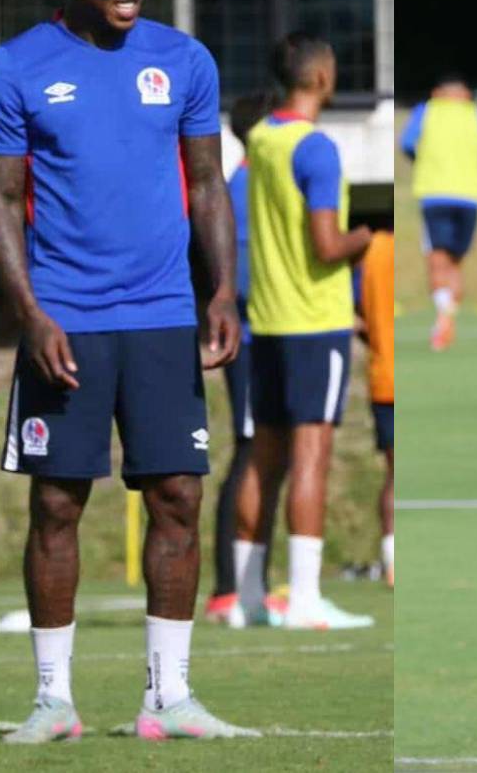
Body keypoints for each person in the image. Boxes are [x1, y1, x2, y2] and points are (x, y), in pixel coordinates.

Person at [0, 0, 253, 743]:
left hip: (165, 317)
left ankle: (168, 698)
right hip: (66, 323)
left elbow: (207, 184)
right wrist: (29, 314)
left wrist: (221, 291)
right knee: (58, 504)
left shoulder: (185, 60)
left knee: (177, 494)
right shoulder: (15, 69)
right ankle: (52, 700)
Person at [232, 32, 374, 630]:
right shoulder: (316, 148)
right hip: (314, 321)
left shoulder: (261, 137)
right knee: (312, 455)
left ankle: (246, 598)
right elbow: (324, 245)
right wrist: (362, 239)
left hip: (265, 320)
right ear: (319, 77)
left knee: (263, 459)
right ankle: (307, 599)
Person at [203, 91, 283, 627]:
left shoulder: (258, 182)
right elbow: (245, 279)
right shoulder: (245, 186)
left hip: (276, 341)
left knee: (268, 456)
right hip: (255, 342)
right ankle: (229, 587)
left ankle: (252, 579)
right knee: (252, 451)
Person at [400, 74, 477, 351]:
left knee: (437, 259)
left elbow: (408, 143)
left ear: (437, 92)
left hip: (434, 194)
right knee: (456, 262)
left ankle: (443, 318)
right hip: (470, 195)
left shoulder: (427, 110)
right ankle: (447, 319)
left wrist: (422, 160)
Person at [358, 227, 394, 586]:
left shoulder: (373, 251)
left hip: (382, 376)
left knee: (392, 473)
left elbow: (358, 315)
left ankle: (391, 559)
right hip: (395, 378)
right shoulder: (388, 250)